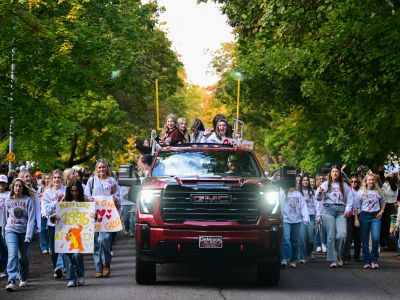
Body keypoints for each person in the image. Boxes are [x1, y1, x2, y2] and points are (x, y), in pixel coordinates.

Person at [84, 159, 121, 278]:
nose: (101, 170)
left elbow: (118, 195)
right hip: (94, 214)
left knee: (103, 239)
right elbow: (85, 195)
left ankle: (106, 264)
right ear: (96, 169)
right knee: (95, 242)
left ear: (107, 168)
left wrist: (114, 199)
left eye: (103, 167)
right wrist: (89, 199)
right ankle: (98, 267)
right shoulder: (92, 181)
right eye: (99, 167)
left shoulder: (111, 181)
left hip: (107, 215)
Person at [316, 165, 353, 268]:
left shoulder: (344, 185)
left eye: (337, 171)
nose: (335, 173)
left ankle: (339, 256)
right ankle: (333, 259)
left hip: (341, 211)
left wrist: (347, 210)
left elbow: (350, 199)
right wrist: (319, 192)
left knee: (342, 235)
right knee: (331, 236)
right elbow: (318, 198)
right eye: (333, 171)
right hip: (328, 210)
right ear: (330, 174)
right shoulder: (325, 184)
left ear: (339, 173)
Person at [4, 178, 35, 292]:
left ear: (23, 188)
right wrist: (4, 232)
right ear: (12, 187)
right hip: (10, 230)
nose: (18, 188)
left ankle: (24, 276)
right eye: (16, 185)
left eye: (20, 186)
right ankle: (11, 279)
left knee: (23, 258)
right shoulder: (7, 200)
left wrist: (28, 236)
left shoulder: (27, 200)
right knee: (12, 255)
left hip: (24, 232)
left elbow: (31, 220)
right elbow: (5, 217)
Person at [354, 173, 386, 269]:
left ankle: (374, 259)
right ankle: (367, 260)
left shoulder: (379, 191)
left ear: (375, 181)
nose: (371, 181)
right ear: (366, 181)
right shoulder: (361, 192)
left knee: (376, 238)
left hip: (375, 216)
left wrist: (382, 211)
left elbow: (384, 202)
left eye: (373, 180)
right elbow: (356, 206)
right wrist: (356, 219)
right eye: (369, 180)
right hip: (364, 216)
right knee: (364, 240)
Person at [63, 180, 90, 287]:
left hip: (80, 232)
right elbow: (58, 212)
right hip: (67, 231)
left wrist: (93, 215)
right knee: (68, 256)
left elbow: (93, 213)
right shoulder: (65, 200)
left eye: (76, 191)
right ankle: (70, 278)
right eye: (72, 191)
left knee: (78, 255)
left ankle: (80, 275)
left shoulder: (85, 200)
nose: (74, 193)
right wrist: (54, 217)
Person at [280, 179, 310, 269]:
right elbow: (279, 204)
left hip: (296, 220)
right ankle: (284, 258)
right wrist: (279, 214)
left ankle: (293, 260)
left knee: (295, 241)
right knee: (286, 239)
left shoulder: (298, 194)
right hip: (286, 220)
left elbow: (303, 206)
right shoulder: (282, 192)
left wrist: (306, 218)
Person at [42, 170, 66, 279]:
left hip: (65, 223)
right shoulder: (47, 192)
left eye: (59, 177)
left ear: (62, 179)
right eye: (55, 177)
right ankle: (56, 267)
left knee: (63, 245)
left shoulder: (66, 190)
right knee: (53, 248)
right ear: (52, 180)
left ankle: (61, 266)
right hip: (52, 223)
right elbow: (46, 210)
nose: (57, 179)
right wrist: (56, 202)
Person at [298, 175, 318, 263]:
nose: (305, 181)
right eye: (304, 180)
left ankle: (309, 252)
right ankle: (303, 256)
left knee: (310, 238)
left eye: (307, 180)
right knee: (302, 237)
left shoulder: (313, 192)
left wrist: (318, 216)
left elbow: (317, 205)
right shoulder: (298, 192)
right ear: (301, 182)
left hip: (311, 216)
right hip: (301, 217)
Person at [342, 175, 362, 261]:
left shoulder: (361, 191)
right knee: (349, 235)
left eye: (355, 181)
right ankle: (346, 255)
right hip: (350, 214)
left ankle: (356, 256)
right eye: (352, 181)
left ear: (358, 183)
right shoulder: (349, 190)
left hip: (359, 214)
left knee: (358, 236)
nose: (353, 183)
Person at [380, 173, 399, 250]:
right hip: (383, 205)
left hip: (391, 206)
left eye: (391, 175)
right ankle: (383, 244)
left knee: (390, 226)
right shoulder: (385, 183)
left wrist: (387, 177)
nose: (388, 176)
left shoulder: (394, 185)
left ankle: (391, 245)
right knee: (383, 225)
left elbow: (391, 183)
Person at [0, 174, 10, 278]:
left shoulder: (8, 195)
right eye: (0, 183)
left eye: (3, 184)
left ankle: (5, 267)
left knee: (6, 247)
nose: (1, 186)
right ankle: (2, 268)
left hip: (7, 224)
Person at [38, 173, 50, 254]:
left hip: (50, 210)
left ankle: (50, 246)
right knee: (42, 229)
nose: (47, 180)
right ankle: (44, 246)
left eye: (48, 178)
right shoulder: (41, 188)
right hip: (42, 209)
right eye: (45, 178)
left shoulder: (52, 188)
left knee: (48, 228)